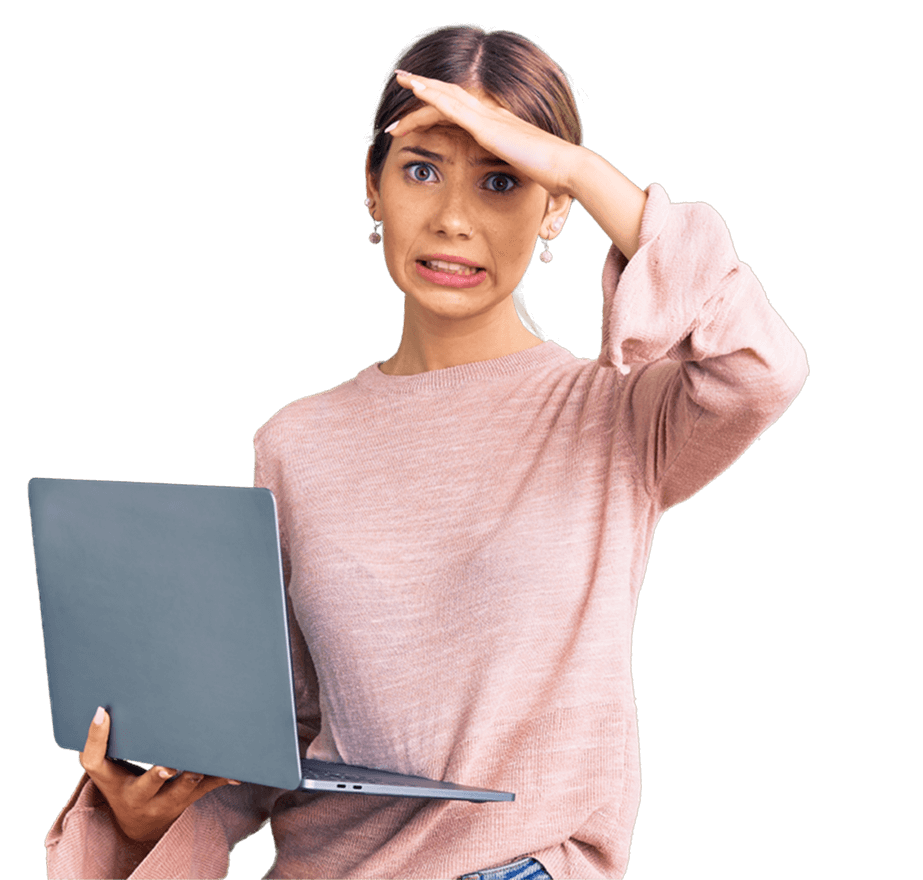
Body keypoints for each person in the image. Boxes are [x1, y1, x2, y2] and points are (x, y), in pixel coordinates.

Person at [44, 23, 809, 880]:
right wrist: (150, 810)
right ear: (370, 188)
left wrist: (585, 171)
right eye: (420, 170)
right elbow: (287, 727)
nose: (453, 218)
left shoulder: (618, 415)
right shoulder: (295, 441)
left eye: (501, 180)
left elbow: (761, 367)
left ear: (554, 206)